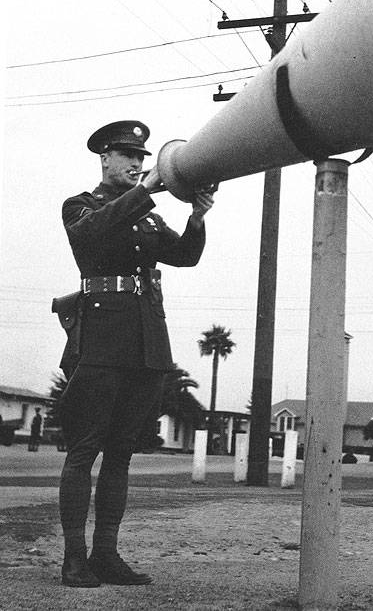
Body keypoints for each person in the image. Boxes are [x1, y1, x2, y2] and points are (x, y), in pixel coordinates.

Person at [57, 120, 214, 588]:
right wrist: (145, 191)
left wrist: (198, 217)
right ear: (104, 159)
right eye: (127, 156)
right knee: (84, 449)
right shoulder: (82, 206)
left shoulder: (145, 215)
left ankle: (106, 554)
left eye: (142, 159)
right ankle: (73, 559)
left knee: (121, 452)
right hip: (102, 341)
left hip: (146, 343)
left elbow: (184, 255)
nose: (137, 164)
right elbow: (93, 238)